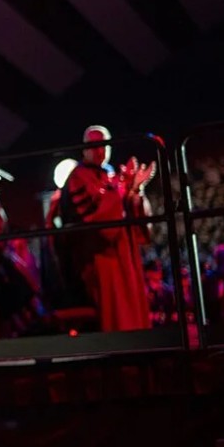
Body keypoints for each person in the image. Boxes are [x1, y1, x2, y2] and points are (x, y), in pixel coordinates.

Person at [59, 125, 152, 332]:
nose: (101, 151)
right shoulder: (77, 178)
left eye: (105, 145)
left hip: (123, 254)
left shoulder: (110, 175)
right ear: (84, 149)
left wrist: (135, 190)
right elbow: (96, 221)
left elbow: (131, 217)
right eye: (95, 146)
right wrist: (121, 187)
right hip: (100, 257)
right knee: (114, 313)